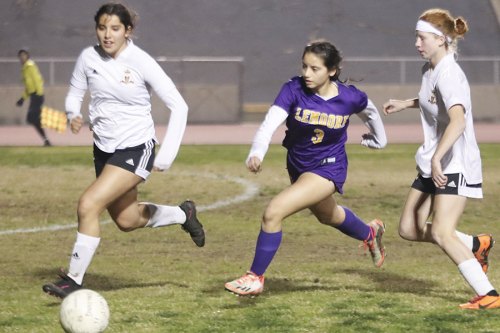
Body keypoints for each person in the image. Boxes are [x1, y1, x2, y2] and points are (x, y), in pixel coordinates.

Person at [42, 2, 205, 299]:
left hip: (136, 148)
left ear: (128, 31)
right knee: (127, 220)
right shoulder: (87, 58)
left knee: (88, 204)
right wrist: (72, 112)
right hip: (104, 150)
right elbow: (76, 92)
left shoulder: (140, 61)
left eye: (115, 28)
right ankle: (183, 214)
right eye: (102, 27)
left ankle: (73, 280)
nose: (107, 34)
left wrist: (166, 155)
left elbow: (179, 106)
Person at [225, 40, 388, 297]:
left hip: (329, 167)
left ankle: (255, 277)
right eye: (304, 66)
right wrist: (257, 151)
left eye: (315, 68)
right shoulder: (293, 89)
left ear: (332, 70)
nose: (307, 74)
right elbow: (270, 124)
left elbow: (371, 112)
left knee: (273, 212)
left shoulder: (349, 96)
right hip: (298, 165)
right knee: (328, 216)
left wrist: (380, 139)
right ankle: (370, 232)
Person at [383, 8, 497, 309]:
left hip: (453, 162)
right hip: (434, 159)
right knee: (409, 228)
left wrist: (437, 158)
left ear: (441, 39)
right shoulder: (430, 70)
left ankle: (490, 294)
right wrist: (405, 103)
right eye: (416, 37)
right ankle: (475, 244)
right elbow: (433, 100)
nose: (417, 44)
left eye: (422, 38)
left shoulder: (450, 72)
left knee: (441, 231)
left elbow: (458, 121)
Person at [16, 49, 51, 146]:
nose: (22, 57)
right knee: (33, 119)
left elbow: (38, 80)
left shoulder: (30, 66)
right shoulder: (24, 68)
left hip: (37, 95)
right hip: (33, 95)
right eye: (20, 56)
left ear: (27, 56)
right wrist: (22, 98)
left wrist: (38, 93)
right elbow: (29, 87)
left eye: (24, 55)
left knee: (31, 118)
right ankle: (46, 140)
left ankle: (48, 124)